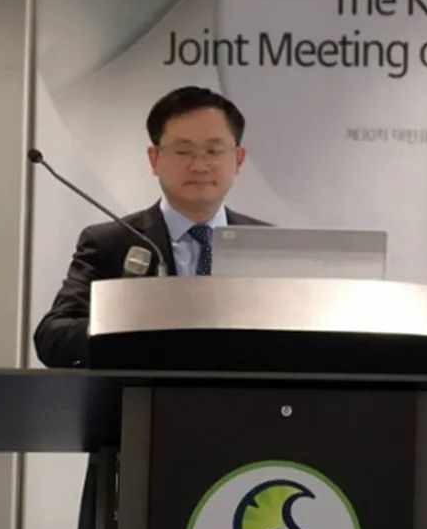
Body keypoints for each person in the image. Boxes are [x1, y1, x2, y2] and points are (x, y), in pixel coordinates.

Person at [34, 86, 267, 368]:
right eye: (183, 152)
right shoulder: (110, 243)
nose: (199, 165)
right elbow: (53, 338)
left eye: (213, 150)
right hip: (141, 394)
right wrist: (121, 326)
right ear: (154, 159)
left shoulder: (268, 245)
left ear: (238, 159)